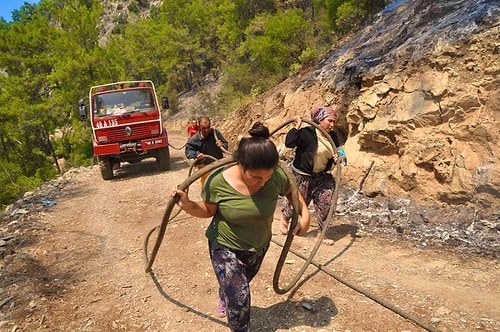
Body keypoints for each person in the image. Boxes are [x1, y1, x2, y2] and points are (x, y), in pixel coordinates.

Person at [173, 122, 310, 332]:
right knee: (239, 296)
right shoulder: (217, 182)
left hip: (258, 246)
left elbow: (292, 192)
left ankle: (224, 293)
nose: (263, 182)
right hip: (224, 245)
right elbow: (208, 211)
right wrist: (187, 205)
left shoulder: (276, 177)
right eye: (255, 177)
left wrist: (304, 214)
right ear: (240, 166)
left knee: (240, 284)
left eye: (268, 176)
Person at [280, 106, 345, 245]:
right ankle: (285, 219)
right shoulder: (306, 132)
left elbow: (341, 154)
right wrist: (296, 127)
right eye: (330, 121)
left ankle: (321, 233)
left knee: (327, 202)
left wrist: (339, 158)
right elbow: (289, 142)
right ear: (320, 120)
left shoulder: (333, 136)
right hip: (301, 175)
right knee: (296, 205)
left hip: (321, 177)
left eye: (334, 122)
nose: (332, 125)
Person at [185, 116, 229, 186]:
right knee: (207, 186)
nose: (206, 130)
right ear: (199, 127)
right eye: (204, 128)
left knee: (221, 185)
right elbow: (188, 151)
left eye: (208, 127)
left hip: (218, 163)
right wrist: (196, 154)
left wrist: (222, 145)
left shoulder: (215, 133)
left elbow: (225, 145)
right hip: (204, 167)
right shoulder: (195, 139)